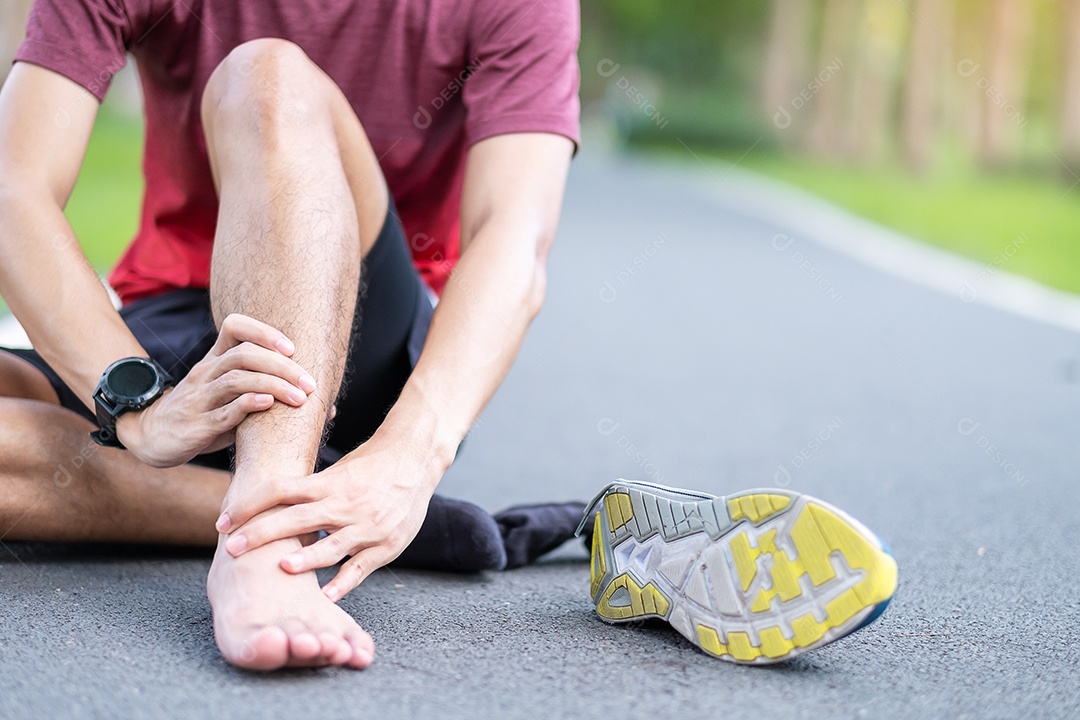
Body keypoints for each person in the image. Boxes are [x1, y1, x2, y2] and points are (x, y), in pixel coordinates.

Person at [0, 0, 584, 671]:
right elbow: (15, 186)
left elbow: (511, 237)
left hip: (363, 342)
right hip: (178, 337)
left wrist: (409, 457)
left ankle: (264, 537)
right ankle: (313, 515)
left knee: (265, 77)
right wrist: (136, 409)